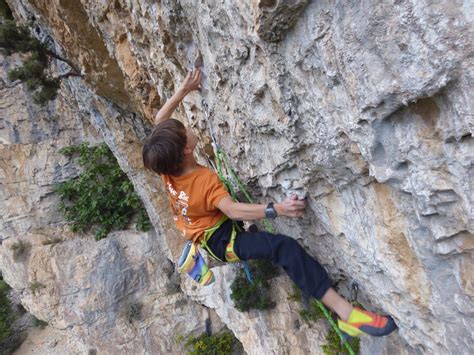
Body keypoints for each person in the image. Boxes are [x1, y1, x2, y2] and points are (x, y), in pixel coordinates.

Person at [142, 68, 397, 339]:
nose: (188, 128)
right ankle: (348, 316)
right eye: (185, 131)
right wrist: (277, 209)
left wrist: (184, 89)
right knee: (284, 248)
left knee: (255, 231)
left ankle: (252, 232)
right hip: (223, 241)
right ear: (187, 150)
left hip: (206, 231)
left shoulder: (166, 167)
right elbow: (231, 209)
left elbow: (160, 119)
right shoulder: (203, 181)